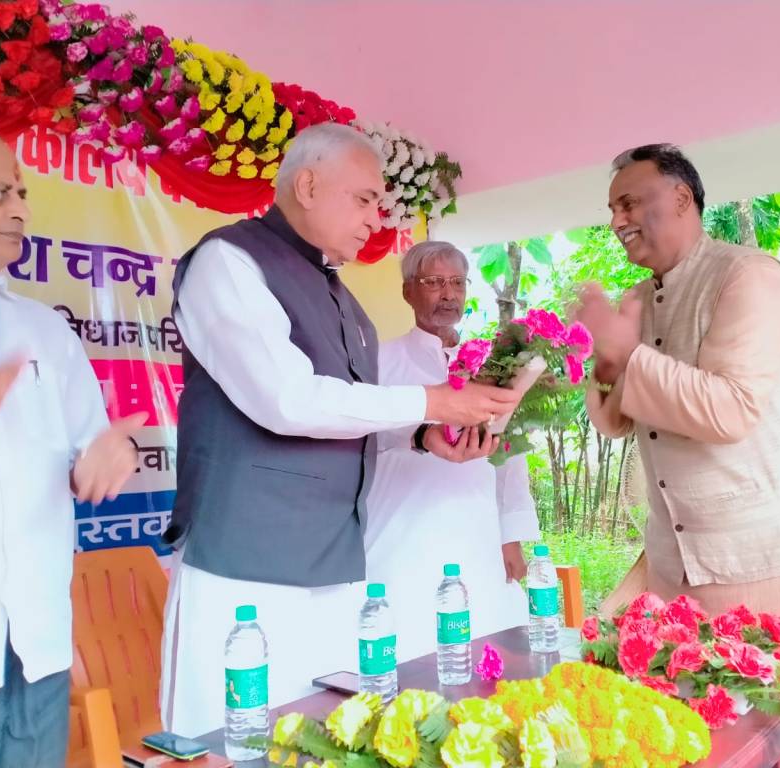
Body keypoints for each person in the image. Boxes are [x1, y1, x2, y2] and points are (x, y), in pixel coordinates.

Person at [160, 123, 521, 736]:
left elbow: (347, 420)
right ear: (307, 186)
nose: (375, 219)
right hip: (245, 567)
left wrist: (418, 436)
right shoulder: (229, 262)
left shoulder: (344, 301)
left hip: (337, 566)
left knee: (325, 740)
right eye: (364, 199)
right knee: (227, 741)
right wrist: (431, 402)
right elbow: (286, 399)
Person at [574, 143, 780, 764]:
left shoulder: (748, 277)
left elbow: (730, 409)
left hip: (769, 548)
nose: (618, 219)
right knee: (691, 735)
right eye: (613, 208)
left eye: (630, 202)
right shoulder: (639, 298)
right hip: (677, 558)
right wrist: (607, 360)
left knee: (777, 733)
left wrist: (627, 355)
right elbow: (614, 421)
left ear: (682, 197)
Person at [0, 123, 143, 768]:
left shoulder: (43, 329)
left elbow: (85, 451)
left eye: (21, 193)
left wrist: (100, 463)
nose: (20, 210)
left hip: (33, 649)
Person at [365, 241, 541, 661]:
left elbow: (510, 453)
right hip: (401, 531)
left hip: (477, 531)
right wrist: (418, 434)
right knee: (406, 651)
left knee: (487, 653)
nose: (448, 294)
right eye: (434, 282)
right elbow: (358, 436)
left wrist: (511, 537)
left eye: (457, 283)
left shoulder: (493, 365)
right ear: (408, 291)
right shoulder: (378, 361)